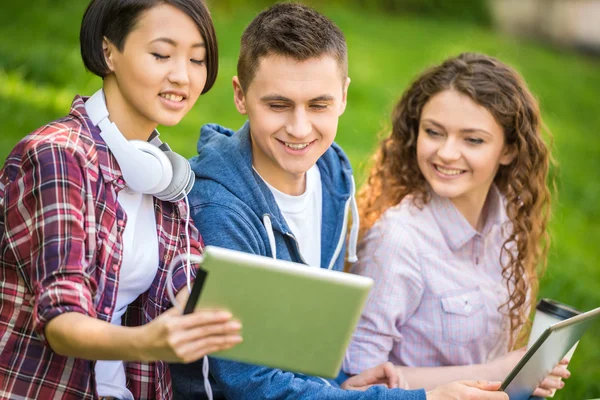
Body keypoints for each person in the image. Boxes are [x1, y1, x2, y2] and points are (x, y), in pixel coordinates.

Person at [171, 4, 509, 400]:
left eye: (319, 105)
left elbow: (304, 342)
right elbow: (250, 386)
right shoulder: (219, 209)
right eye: (278, 105)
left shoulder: (332, 171)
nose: (299, 129)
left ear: (344, 96)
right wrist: (426, 399)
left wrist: (342, 381)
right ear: (240, 96)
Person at [0, 1, 242, 399]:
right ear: (108, 50)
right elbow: (62, 321)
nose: (182, 76)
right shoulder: (58, 157)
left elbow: (192, 288)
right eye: (161, 54)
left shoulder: (162, 174)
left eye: (197, 60)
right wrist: (150, 341)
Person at [343, 53, 569, 398]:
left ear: (508, 149)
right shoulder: (399, 239)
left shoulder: (508, 222)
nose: (447, 153)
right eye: (434, 132)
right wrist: (498, 372)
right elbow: (359, 379)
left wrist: (522, 378)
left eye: (472, 140)